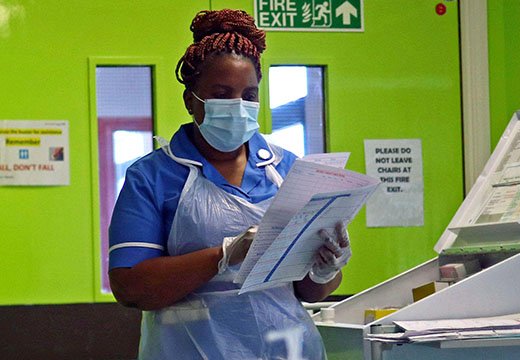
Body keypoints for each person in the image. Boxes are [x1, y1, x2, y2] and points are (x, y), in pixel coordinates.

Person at [108, 9, 351, 360]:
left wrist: (326, 266)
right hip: (190, 350)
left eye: (249, 95)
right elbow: (131, 288)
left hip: (286, 349)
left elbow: (310, 292)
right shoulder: (153, 176)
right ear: (191, 101)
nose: (238, 106)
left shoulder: (287, 169)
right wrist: (224, 255)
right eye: (222, 94)